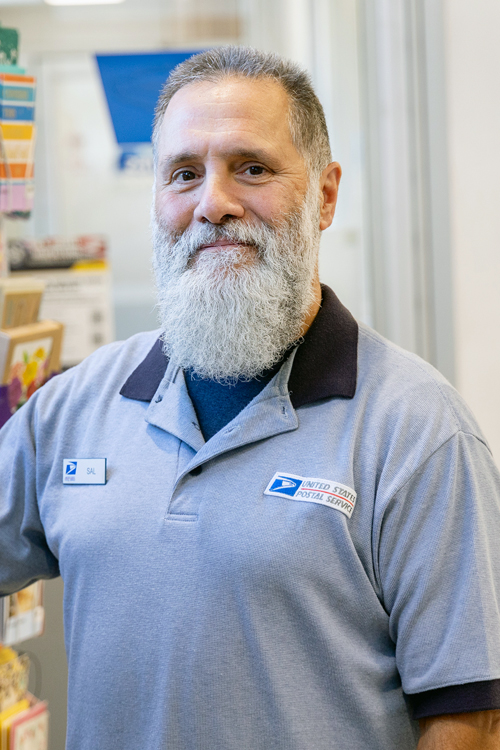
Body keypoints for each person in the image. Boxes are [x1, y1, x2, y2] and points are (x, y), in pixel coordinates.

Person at [1, 46, 500, 750]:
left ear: (324, 196)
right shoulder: (75, 407)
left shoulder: (417, 431)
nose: (214, 204)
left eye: (252, 168)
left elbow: (470, 722)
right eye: (184, 174)